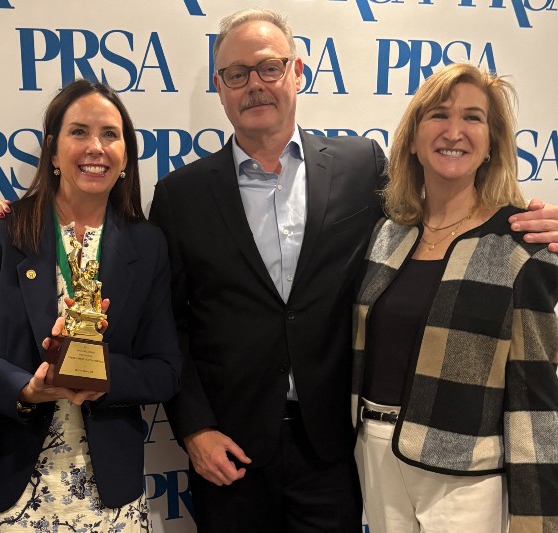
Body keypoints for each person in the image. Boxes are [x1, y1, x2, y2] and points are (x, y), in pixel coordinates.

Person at [149, 8, 558, 533]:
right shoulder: (180, 195)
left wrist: (538, 220)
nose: (255, 85)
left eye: (269, 68)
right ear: (220, 86)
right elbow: (169, 322)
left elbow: (445, 216)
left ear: (297, 72)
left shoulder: (360, 166)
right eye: (237, 73)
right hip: (229, 449)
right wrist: (194, 427)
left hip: (339, 446)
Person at [0, 79, 182, 532]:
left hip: (110, 499)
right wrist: (25, 388)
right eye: (79, 132)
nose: (96, 147)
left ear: (126, 156)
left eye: (110, 135)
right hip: (11, 495)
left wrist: (101, 375)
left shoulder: (146, 244)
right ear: (52, 152)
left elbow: (165, 369)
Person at [351, 63, 558, 532]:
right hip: (376, 453)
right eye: (439, 115)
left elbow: (535, 399)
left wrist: (538, 519)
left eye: (473, 118)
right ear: (412, 138)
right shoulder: (388, 235)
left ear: (491, 145)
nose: (454, 131)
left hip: (465, 476)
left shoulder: (521, 247)